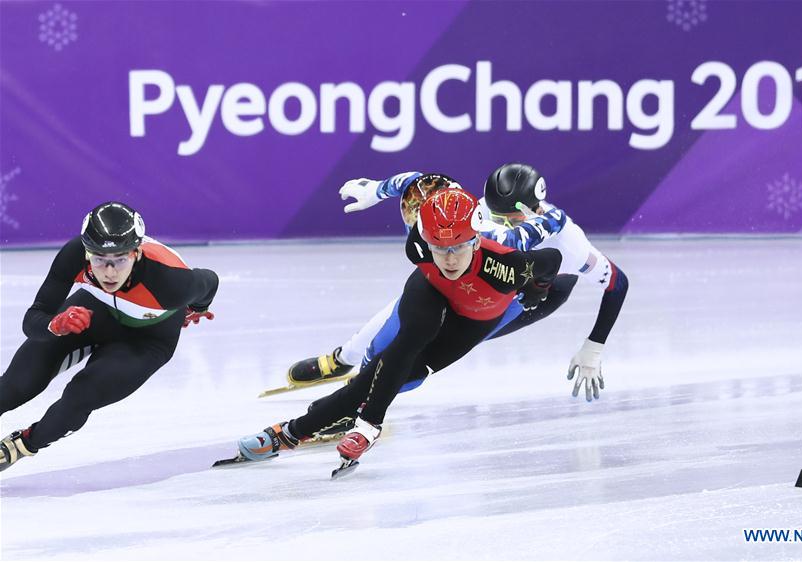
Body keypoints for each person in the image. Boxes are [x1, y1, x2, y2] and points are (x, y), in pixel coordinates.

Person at [237, 184, 563, 475]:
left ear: (477, 239)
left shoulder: (507, 269)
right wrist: (379, 189)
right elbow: (415, 181)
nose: (449, 259)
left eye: (458, 247)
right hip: (431, 293)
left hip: (471, 323)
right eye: (439, 248)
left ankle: (314, 428)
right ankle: (326, 430)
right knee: (400, 348)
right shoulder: (417, 247)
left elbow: (552, 258)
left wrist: (539, 287)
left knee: (394, 377)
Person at [286, 164, 628, 403]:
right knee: (398, 319)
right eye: (489, 214)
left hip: (514, 299)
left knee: (421, 350)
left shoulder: (571, 245)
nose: (490, 225)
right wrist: (375, 191)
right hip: (468, 271)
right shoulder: (468, 211)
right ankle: (345, 358)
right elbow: (415, 182)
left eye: (503, 220)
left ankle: (360, 401)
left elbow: (617, 283)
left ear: (526, 214)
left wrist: (594, 347)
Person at [0, 202, 218, 472]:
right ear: (87, 253)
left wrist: (196, 309)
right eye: (100, 260)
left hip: (147, 340)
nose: (110, 272)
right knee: (15, 384)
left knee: (81, 395)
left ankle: (22, 445)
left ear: (136, 253)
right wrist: (54, 325)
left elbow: (210, 281)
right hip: (93, 311)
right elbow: (33, 319)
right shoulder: (74, 254)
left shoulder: (170, 282)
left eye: (120, 260)